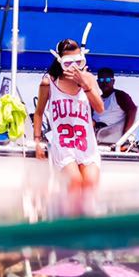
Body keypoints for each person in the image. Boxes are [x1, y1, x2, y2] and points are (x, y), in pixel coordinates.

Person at [33, 38, 104, 202]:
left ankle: (87, 225)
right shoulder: (48, 82)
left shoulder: (89, 79)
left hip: (87, 144)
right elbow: (38, 113)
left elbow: (100, 108)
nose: (74, 67)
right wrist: (37, 142)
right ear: (59, 61)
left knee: (91, 185)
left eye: (78, 62)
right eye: (68, 63)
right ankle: (70, 221)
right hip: (63, 145)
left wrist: (85, 84)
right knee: (75, 182)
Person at [91, 67, 137, 144]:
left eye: (108, 80)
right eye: (101, 80)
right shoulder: (96, 99)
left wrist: (125, 134)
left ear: (113, 81)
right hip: (94, 135)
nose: (104, 83)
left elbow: (132, 110)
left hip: (111, 136)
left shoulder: (120, 95)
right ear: (98, 82)